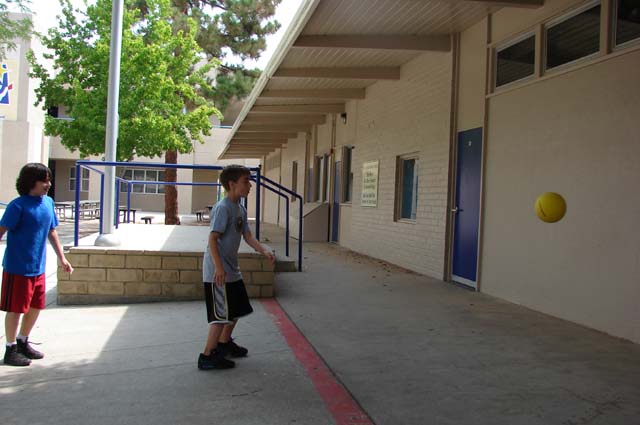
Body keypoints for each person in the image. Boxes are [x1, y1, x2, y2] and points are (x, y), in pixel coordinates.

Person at [198, 165, 275, 370]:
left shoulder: (240, 209)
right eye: (245, 181)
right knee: (220, 316)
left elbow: (247, 235)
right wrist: (218, 268)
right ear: (232, 184)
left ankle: (224, 343)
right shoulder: (223, 208)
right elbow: (212, 239)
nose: (250, 185)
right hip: (218, 272)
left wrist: (264, 250)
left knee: (236, 309)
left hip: (231, 270)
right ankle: (207, 356)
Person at [1, 163, 74, 367]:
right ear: (31, 182)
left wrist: (62, 258)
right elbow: (1, 230)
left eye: (49, 180)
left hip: (38, 266)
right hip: (18, 267)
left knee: (36, 306)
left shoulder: (48, 203)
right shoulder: (17, 206)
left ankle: (23, 341)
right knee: (16, 308)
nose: (48, 184)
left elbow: (52, 231)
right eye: (44, 180)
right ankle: (10, 349)